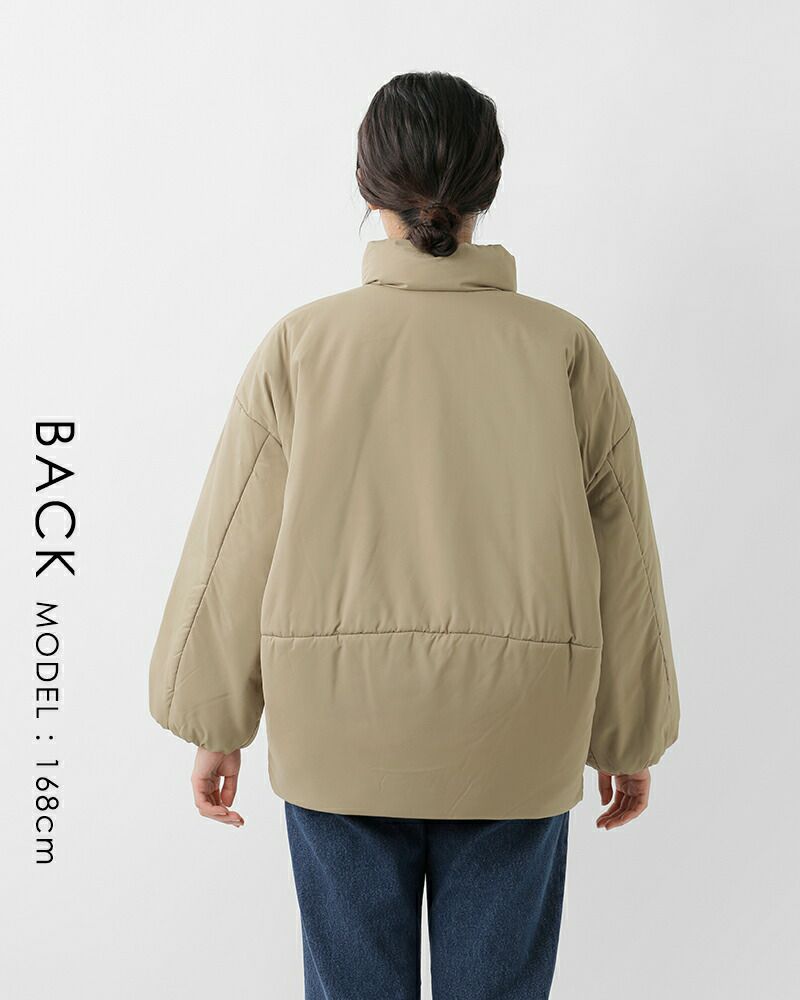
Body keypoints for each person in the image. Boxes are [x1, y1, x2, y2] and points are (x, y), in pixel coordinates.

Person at [149, 71, 679, 1000]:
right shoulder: (563, 350)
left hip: (338, 730)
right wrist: (626, 732)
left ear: (369, 187)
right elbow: (622, 550)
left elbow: (233, 542)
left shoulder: (302, 345)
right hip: (517, 735)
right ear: (487, 187)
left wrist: (214, 722)